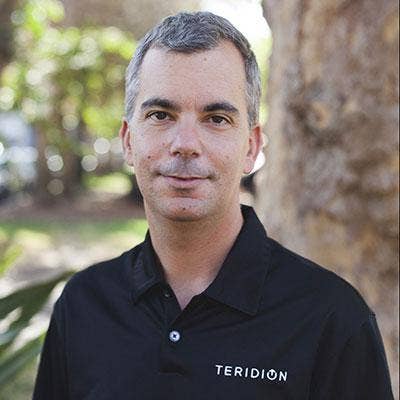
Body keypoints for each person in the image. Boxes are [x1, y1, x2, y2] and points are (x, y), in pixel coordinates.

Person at [32, 11, 394, 400]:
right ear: (128, 141)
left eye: (216, 119)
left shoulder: (332, 320)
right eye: (160, 115)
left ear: (251, 148)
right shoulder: (83, 305)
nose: (186, 144)